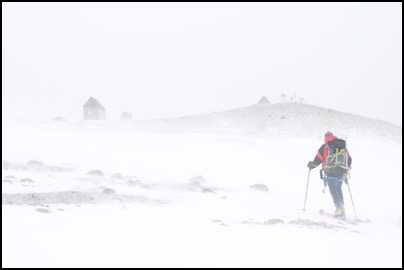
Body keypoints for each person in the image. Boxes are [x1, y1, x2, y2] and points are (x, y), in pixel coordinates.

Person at [307, 131, 352, 217]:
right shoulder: (342, 146)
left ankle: (339, 208)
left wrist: (311, 165)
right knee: (338, 188)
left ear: (325, 138)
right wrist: (346, 170)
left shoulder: (325, 146)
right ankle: (341, 208)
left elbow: (318, 159)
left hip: (331, 171)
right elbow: (349, 159)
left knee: (333, 188)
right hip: (341, 171)